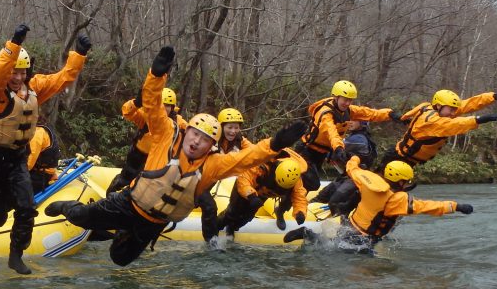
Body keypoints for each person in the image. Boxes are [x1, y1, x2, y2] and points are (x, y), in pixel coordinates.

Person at [45, 46, 307, 267]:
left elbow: (248, 158)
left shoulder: (213, 165)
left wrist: (276, 143)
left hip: (154, 222)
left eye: (205, 140)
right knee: (80, 217)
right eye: (195, 134)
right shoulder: (165, 136)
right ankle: (67, 206)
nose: (197, 142)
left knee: (120, 259)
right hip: (127, 203)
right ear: (187, 131)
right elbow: (151, 103)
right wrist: (157, 74)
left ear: (212, 146)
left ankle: (124, 233)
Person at [0, 24, 91, 274]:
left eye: (22, 72)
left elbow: (62, 79)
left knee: (26, 207)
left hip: (17, 158)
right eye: (13, 72)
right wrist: (13, 45)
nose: (17, 78)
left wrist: (78, 55)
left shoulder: (33, 87)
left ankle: (16, 255)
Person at [284, 156, 473, 253]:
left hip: (349, 225)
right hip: (363, 239)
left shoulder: (367, 180)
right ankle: (307, 234)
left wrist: (355, 158)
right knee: (342, 255)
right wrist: (456, 206)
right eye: (406, 182)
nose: (407, 185)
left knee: (334, 246)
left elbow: (352, 168)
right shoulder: (396, 199)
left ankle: (309, 235)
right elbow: (427, 207)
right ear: (400, 182)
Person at [296, 80, 395, 190]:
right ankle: (287, 195)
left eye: (350, 100)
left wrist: (390, 114)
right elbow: (331, 132)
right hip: (306, 150)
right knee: (312, 184)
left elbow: (370, 113)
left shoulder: (348, 110)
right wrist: (338, 148)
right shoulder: (325, 113)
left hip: (321, 153)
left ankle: (294, 201)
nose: (347, 103)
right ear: (336, 97)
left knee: (309, 186)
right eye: (345, 100)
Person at [382, 86, 497, 167]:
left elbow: (467, 104)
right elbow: (455, 125)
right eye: (451, 110)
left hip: (406, 160)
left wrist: (493, 96)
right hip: (398, 159)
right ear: (439, 106)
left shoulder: (433, 109)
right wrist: (479, 120)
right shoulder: (432, 121)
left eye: (454, 110)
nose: (454, 113)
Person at [106, 87, 184, 195]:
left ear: (172, 107)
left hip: (156, 160)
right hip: (138, 156)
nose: (164, 108)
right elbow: (127, 113)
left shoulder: (177, 121)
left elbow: (189, 131)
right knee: (124, 180)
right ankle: (110, 196)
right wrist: (136, 103)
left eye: (167, 105)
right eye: (161, 105)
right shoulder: (146, 116)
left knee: (144, 187)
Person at [217, 150, 309, 238]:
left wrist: (300, 213)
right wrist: (251, 195)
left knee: (248, 217)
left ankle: (231, 228)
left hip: (262, 195)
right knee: (233, 212)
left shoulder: (294, 178)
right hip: (247, 190)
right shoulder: (262, 165)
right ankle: (216, 226)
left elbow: (299, 196)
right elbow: (244, 179)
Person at [198, 107, 254, 248]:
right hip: (203, 179)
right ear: (221, 127)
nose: (233, 131)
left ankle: (229, 227)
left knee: (242, 205)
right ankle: (210, 240)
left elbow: (255, 152)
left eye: (236, 128)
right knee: (210, 207)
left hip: (222, 180)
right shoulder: (210, 139)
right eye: (229, 127)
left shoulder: (241, 141)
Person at [312, 127, 378, 217]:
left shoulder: (359, 139)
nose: (351, 122)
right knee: (324, 194)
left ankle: (341, 219)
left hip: (355, 179)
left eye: (355, 120)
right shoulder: (357, 136)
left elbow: (335, 147)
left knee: (334, 200)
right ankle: (309, 210)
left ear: (363, 124)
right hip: (348, 177)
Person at [27, 120, 62, 195]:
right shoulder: (43, 127)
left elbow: (28, 164)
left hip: (38, 176)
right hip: (42, 172)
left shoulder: (37, 133)